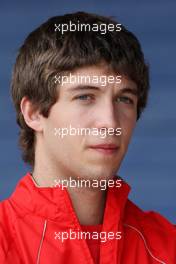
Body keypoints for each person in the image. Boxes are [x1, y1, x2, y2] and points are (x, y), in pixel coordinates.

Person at [0, 11, 175, 264]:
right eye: (85, 96)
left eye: (124, 99)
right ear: (34, 112)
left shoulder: (168, 248)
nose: (110, 122)